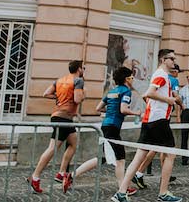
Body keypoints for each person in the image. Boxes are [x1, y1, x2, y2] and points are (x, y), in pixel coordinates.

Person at [112, 48, 183, 202]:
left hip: (149, 120)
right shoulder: (161, 75)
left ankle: (121, 193)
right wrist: (169, 100)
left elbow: (146, 95)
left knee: (138, 158)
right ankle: (163, 193)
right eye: (171, 58)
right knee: (171, 154)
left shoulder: (160, 75)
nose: (174, 61)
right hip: (159, 120)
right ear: (163, 60)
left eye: (174, 58)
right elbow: (149, 93)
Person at [73, 67, 136, 192]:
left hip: (106, 126)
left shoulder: (111, 92)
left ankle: (72, 176)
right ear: (126, 79)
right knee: (120, 159)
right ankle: (122, 189)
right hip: (113, 127)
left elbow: (98, 108)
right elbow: (123, 109)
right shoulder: (126, 91)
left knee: (102, 158)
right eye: (132, 77)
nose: (133, 79)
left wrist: (111, 110)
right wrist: (137, 113)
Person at [29, 60, 85, 194]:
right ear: (78, 69)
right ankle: (35, 176)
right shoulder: (78, 81)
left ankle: (61, 173)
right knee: (52, 148)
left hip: (59, 115)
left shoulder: (59, 80)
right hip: (64, 117)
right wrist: (82, 95)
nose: (83, 70)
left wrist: (59, 97)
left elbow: (46, 94)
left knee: (73, 143)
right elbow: (77, 99)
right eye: (83, 68)